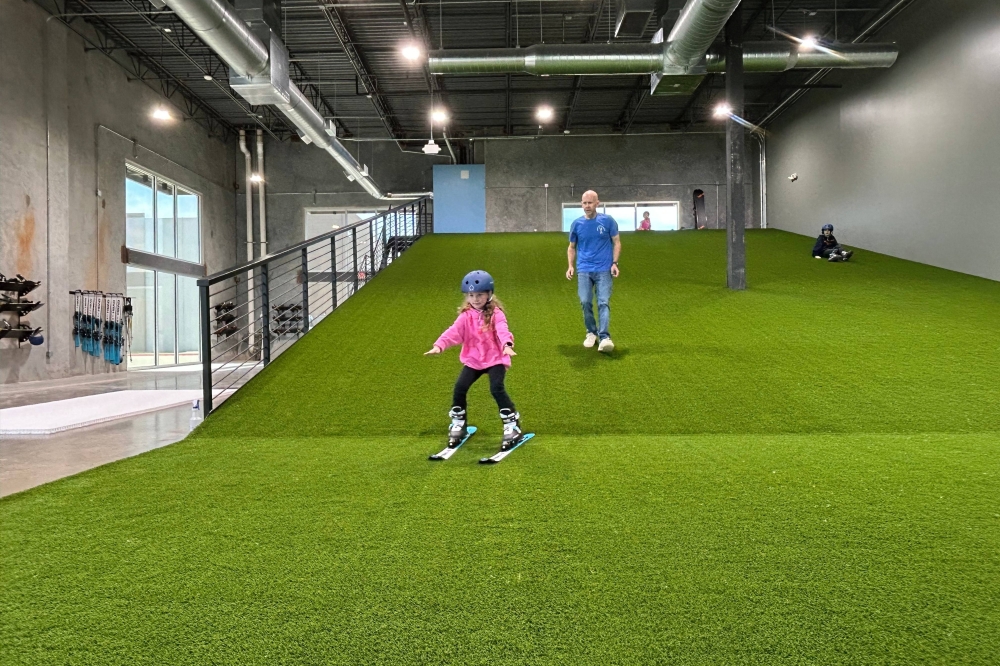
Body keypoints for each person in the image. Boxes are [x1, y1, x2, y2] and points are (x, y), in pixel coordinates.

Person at [425, 270, 524, 451]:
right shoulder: (465, 316)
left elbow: (503, 329)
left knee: (496, 388)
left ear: (489, 294)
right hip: (474, 359)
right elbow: (454, 331)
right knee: (460, 387)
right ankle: (458, 423)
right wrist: (439, 345)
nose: (475, 299)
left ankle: (512, 425)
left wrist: (507, 344)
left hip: (495, 358)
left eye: (480, 295)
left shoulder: (496, 314)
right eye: (471, 295)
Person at [566, 190, 621, 353]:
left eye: (590, 203)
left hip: (604, 269)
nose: (587, 206)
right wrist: (570, 266)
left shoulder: (608, 221)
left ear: (597, 203)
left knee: (603, 302)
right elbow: (571, 247)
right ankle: (591, 332)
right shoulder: (576, 224)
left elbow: (616, 242)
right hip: (584, 269)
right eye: (584, 203)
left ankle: (604, 337)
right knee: (585, 302)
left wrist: (614, 263)